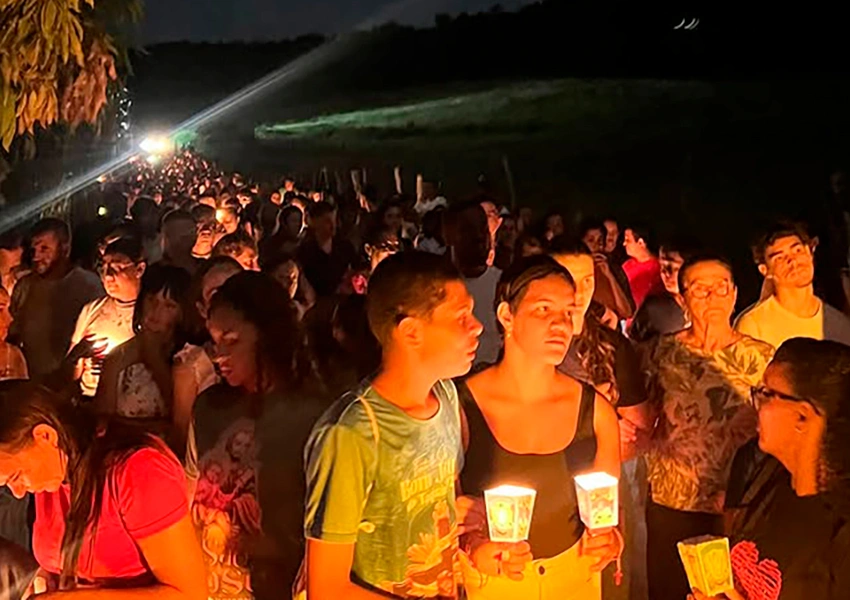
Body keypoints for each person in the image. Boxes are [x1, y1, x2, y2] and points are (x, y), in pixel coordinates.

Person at [303, 251, 484, 599]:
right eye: (461, 316)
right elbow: (326, 588)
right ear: (411, 331)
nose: (477, 326)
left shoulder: (445, 397)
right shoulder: (353, 434)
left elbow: (443, 508)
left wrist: (477, 542)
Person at [457, 255, 622, 600]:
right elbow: (439, 512)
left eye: (568, 311)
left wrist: (610, 540)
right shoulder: (461, 407)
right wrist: (474, 546)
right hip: (493, 585)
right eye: (543, 310)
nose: (560, 324)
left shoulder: (595, 412)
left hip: (574, 580)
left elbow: (607, 516)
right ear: (507, 316)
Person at [642, 254, 774, 600]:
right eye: (700, 290)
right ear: (683, 299)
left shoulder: (764, 359)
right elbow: (640, 419)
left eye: (721, 288)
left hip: (735, 506)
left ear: (734, 294)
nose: (712, 297)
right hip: (672, 504)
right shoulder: (661, 354)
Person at [0, 381, 206, 597]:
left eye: (17, 476)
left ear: (46, 436)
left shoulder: (138, 470)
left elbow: (190, 594)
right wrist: (47, 579)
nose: (18, 492)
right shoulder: (52, 478)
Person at [190, 271, 326, 598]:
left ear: (268, 335)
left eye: (232, 340)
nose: (219, 354)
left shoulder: (313, 415)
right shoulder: (208, 408)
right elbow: (189, 491)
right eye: (215, 340)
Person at [704, 339, 850, 600]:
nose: (755, 406)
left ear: (802, 417)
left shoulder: (840, 535)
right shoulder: (766, 479)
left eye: (766, 394)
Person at [549, 238, 650, 599]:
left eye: (587, 280)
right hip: (544, 494)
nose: (579, 292)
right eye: (567, 280)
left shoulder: (612, 348)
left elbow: (639, 435)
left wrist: (602, 439)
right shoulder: (530, 349)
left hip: (601, 494)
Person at [96, 264, 214, 427]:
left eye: (168, 306)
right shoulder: (119, 356)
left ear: (182, 312)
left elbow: (182, 421)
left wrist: (153, 357)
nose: (156, 311)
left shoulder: (193, 358)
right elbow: (103, 423)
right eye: (152, 300)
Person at [10, 218, 104, 378]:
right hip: (31, 388)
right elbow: (14, 334)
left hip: (71, 388)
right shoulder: (24, 287)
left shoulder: (88, 286)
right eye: (34, 249)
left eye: (44, 248)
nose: (36, 257)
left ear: (65, 248)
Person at [735, 221, 850, 348]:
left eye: (798, 250)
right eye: (780, 258)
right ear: (765, 270)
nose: (793, 261)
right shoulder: (754, 327)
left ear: (809, 252)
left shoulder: (839, 324)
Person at [67, 237, 146, 399]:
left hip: (130, 403)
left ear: (139, 269)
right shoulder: (91, 310)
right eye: (104, 267)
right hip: (89, 398)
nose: (108, 276)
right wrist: (78, 356)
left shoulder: (150, 315)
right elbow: (71, 369)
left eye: (117, 267)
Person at [444, 201, 503, 368]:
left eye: (481, 233)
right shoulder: (435, 286)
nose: (476, 242)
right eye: (466, 234)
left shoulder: (504, 284)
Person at [629, 235, 698, 342]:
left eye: (674, 267)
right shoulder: (654, 308)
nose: (666, 273)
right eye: (662, 266)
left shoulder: (706, 305)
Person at [297, 201, 357, 297]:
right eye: (327, 221)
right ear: (314, 222)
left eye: (334, 220)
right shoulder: (304, 252)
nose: (333, 226)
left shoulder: (345, 247)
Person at [578, 220, 634, 321]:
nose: (597, 245)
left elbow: (627, 312)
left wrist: (609, 276)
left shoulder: (614, 268)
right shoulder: (577, 271)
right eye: (591, 240)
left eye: (600, 240)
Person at [622, 223, 663, 313]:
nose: (624, 244)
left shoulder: (660, 268)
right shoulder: (626, 266)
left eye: (628, 240)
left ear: (641, 242)